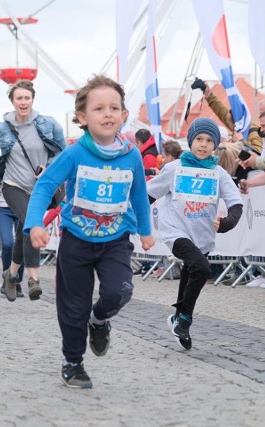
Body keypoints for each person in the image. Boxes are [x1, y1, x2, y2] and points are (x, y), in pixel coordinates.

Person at [24, 75, 154, 389]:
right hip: (76, 241)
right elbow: (45, 186)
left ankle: (99, 321)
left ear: (124, 115)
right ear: (83, 118)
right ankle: (73, 363)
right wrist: (34, 223)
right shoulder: (74, 154)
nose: (107, 114)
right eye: (98, 109)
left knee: (118, 291)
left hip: (115, 240)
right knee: (73, 306)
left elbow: (138, 194)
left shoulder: (132, 155)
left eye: (114, 108)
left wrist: (146, 230)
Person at [147, 118, 243, 350]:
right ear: (190, 141)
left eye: (209, 141)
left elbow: (236, 205)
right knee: (201, 268)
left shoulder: (219, 173)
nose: (203, 145)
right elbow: (149, 195)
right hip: (175, 231)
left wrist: (227, 223)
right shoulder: (173, 168)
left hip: (203, 235)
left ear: (215, 145)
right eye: (199, 139)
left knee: (192, 270)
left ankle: (179, 319)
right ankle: (186, 318)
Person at [0, 79, 66, 302]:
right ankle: (33, 279)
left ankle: (11, 274)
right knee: (32, 224)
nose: (23, 102)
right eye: (19, 98)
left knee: (25, 230)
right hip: (13, 186)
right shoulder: (2, 129)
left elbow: (63, 152)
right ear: (13, 101)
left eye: (27, 98)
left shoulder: (49, 124)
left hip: (41, 188)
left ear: (33, 99)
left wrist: (49, 168)